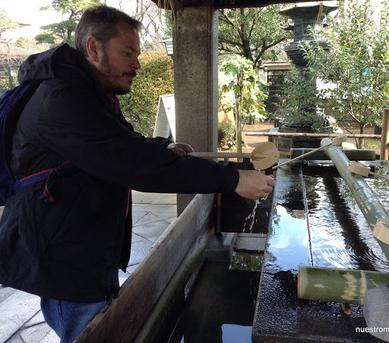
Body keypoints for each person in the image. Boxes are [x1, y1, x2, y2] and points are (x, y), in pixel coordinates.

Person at [0, 5, 274, 342]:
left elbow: (120, 142)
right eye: (127, 52)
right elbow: (135, 165)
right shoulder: (62, 99)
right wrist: (232, 180)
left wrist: (162, 148)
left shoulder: (86, 92)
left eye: (138, 53)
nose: (137, 64)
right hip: (62, 260)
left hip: (79, 248)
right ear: (93, 48)